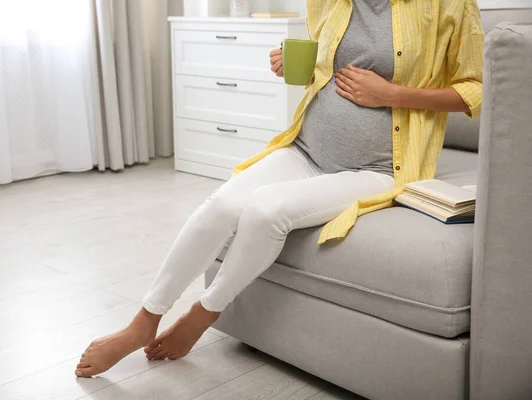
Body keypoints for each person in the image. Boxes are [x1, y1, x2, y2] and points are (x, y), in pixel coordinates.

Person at [75, 0, 484, 377]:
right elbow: (322, 72)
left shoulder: (448, 4)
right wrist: (293, 66)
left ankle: (204, 314)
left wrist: (393, 94)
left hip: (378, 167)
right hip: (305, 148)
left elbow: (477, 89)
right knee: (221, 206)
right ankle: (142, 322)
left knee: (265, 210)